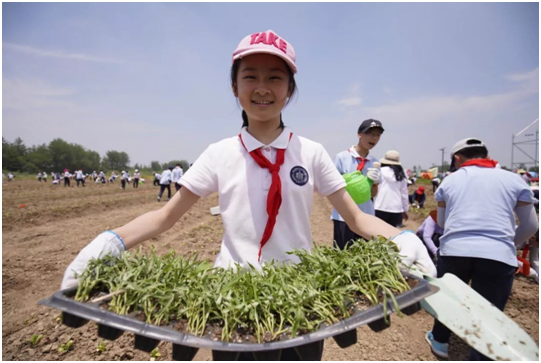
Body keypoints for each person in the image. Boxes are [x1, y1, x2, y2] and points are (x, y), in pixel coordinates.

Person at [61, 31, 436, 361]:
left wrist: (402, 237)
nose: (262, 87)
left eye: (275, 78)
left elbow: (355, 218)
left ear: (289, 90)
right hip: (231, 302)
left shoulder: (311, 152)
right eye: (250, 76)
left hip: (301, 299)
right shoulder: (219, 153)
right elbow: (165, 217)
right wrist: (111, 241)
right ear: (234, 87)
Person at [425, 138, 538, 360]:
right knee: (490, 314)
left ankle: (440, 341)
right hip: (498, 255)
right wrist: (506, 244)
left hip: (455, 251)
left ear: (457, 158)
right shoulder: (513, 179)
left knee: (448, 297)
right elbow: (532, 226)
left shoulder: (450, 181)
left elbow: (443, 223)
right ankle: (480, 355)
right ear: (485, 154)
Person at [330, 119, 383, 249]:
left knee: (363, 258)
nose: (374, 138)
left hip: (366, 215)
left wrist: (374, 183)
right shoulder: (342, 157)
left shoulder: (374, 163)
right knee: (342, 254)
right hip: (344, 216)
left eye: (377, 135)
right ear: (359, 134)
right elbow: (332, 188)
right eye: (370, 133)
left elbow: (373, 194)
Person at [374, 150, 409, 228]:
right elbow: (404, 194)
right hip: (396, 209)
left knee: (377, 234)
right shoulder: (401, 175)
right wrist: (405, 209)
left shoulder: (379, 171)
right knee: (392, 235)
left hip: (379, 206)